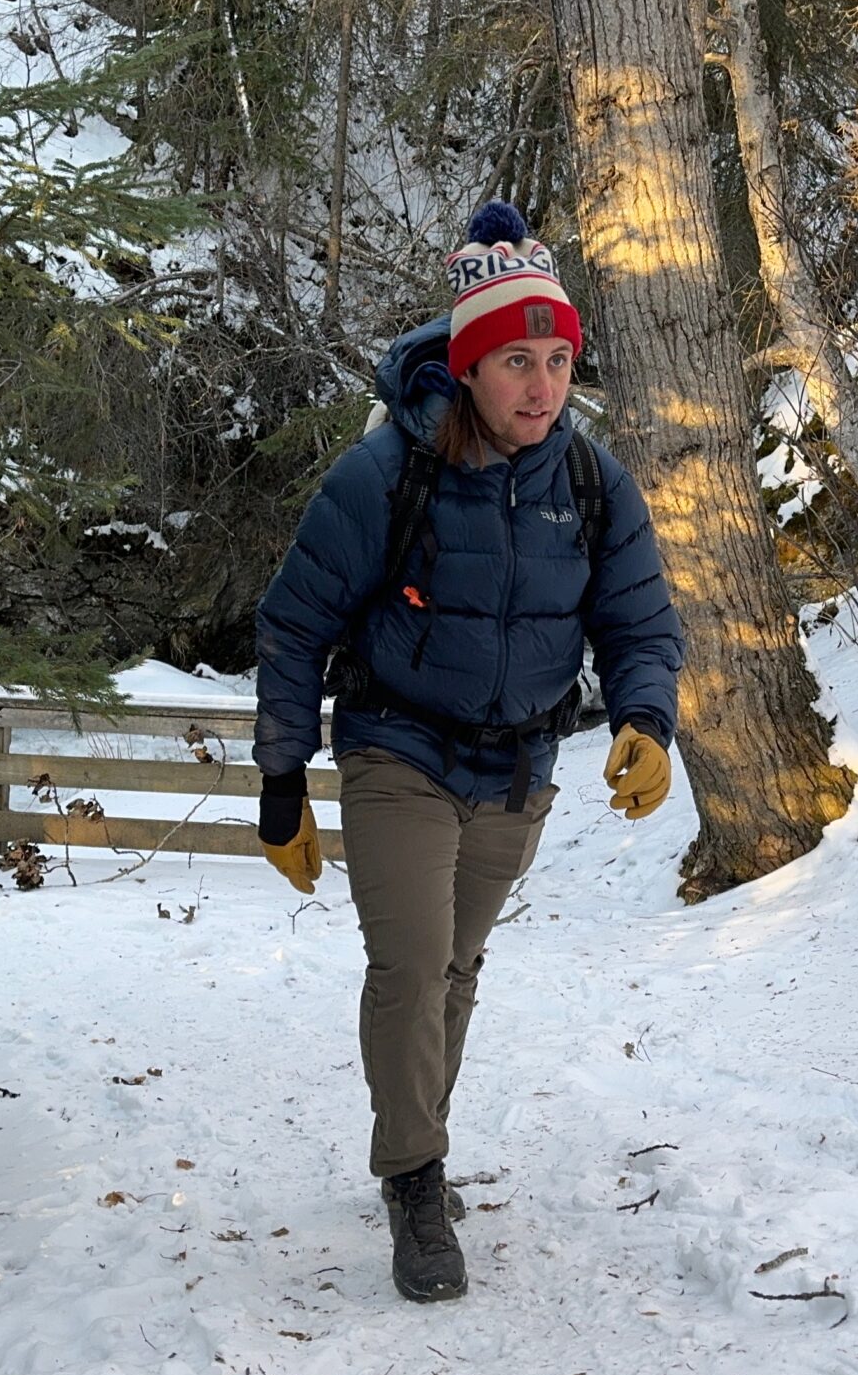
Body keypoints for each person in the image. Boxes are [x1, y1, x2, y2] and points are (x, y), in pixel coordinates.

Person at [251, 202, 686, 1304]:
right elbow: (295, 622)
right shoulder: (385, 472)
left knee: (454, 969)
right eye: (513, 362)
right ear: (467, 365)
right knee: (409, 964)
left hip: (517, 768)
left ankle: (415, 1135)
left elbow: (639, 620)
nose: (541, 386)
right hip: (399, 745)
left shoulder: (589, 483)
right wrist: (279, 778)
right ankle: (414, 1178)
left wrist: (646, 718)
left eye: (557, 360)